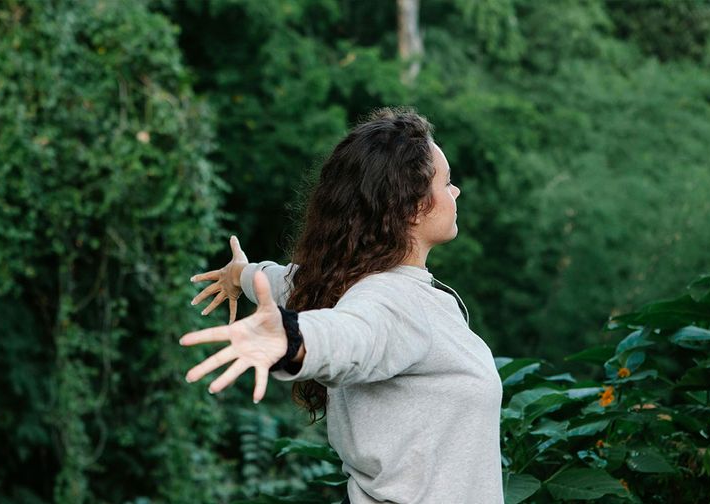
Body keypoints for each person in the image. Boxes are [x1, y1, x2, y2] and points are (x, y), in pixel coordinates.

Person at [179, 107, 504, 504]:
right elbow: (351, 336)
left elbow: (287, 281)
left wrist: (242, 275)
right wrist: (290, 339)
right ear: (413, 207)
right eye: (448, 183)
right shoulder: (394, 302)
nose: (455, 193)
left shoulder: (337, 285)